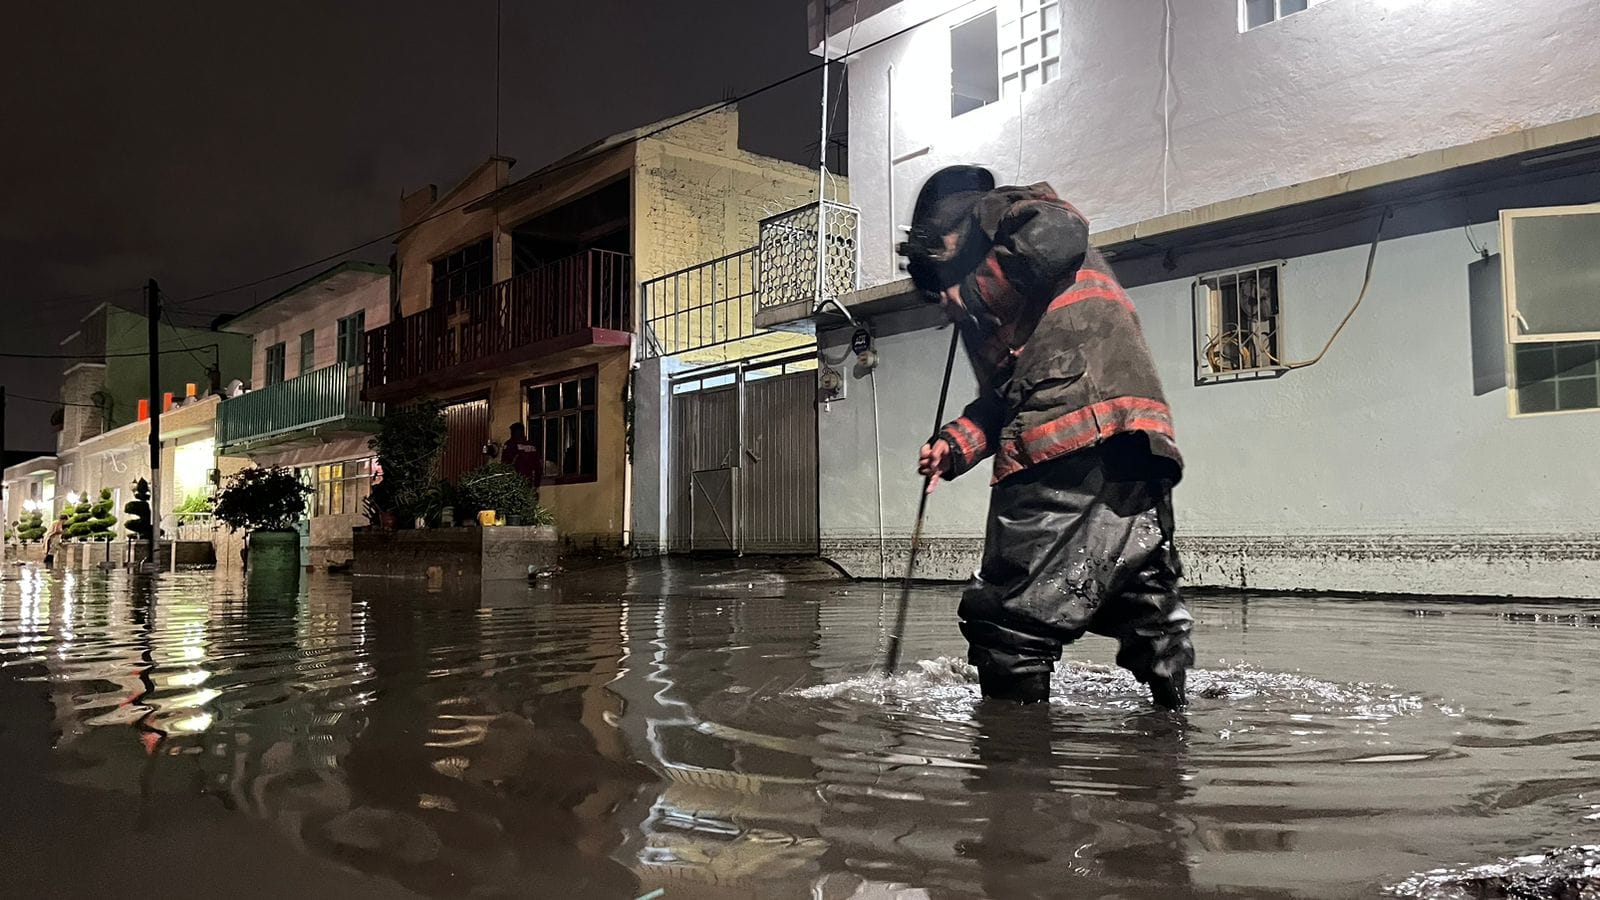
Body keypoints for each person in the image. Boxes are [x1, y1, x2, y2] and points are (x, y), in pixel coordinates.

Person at [899, 165, 1194, 708]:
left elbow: (1057, 234)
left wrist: (972, 294)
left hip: (1068, 436)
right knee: (1142, 601)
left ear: (946, 235)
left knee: (1007, 621)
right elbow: (1002, 398)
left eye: (938, 284)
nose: (943, 303)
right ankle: (1171, 741)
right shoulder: (999, 305)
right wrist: (953, 445)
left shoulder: (1002, 214)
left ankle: (1014, 773)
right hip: (1133, 441)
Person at [500, 422, 543, 492]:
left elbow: (505, 464)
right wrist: (536, 484)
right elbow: (538, 466)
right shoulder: (531, 445)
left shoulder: (510, 444)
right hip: (529, 482)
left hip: (515, 482)